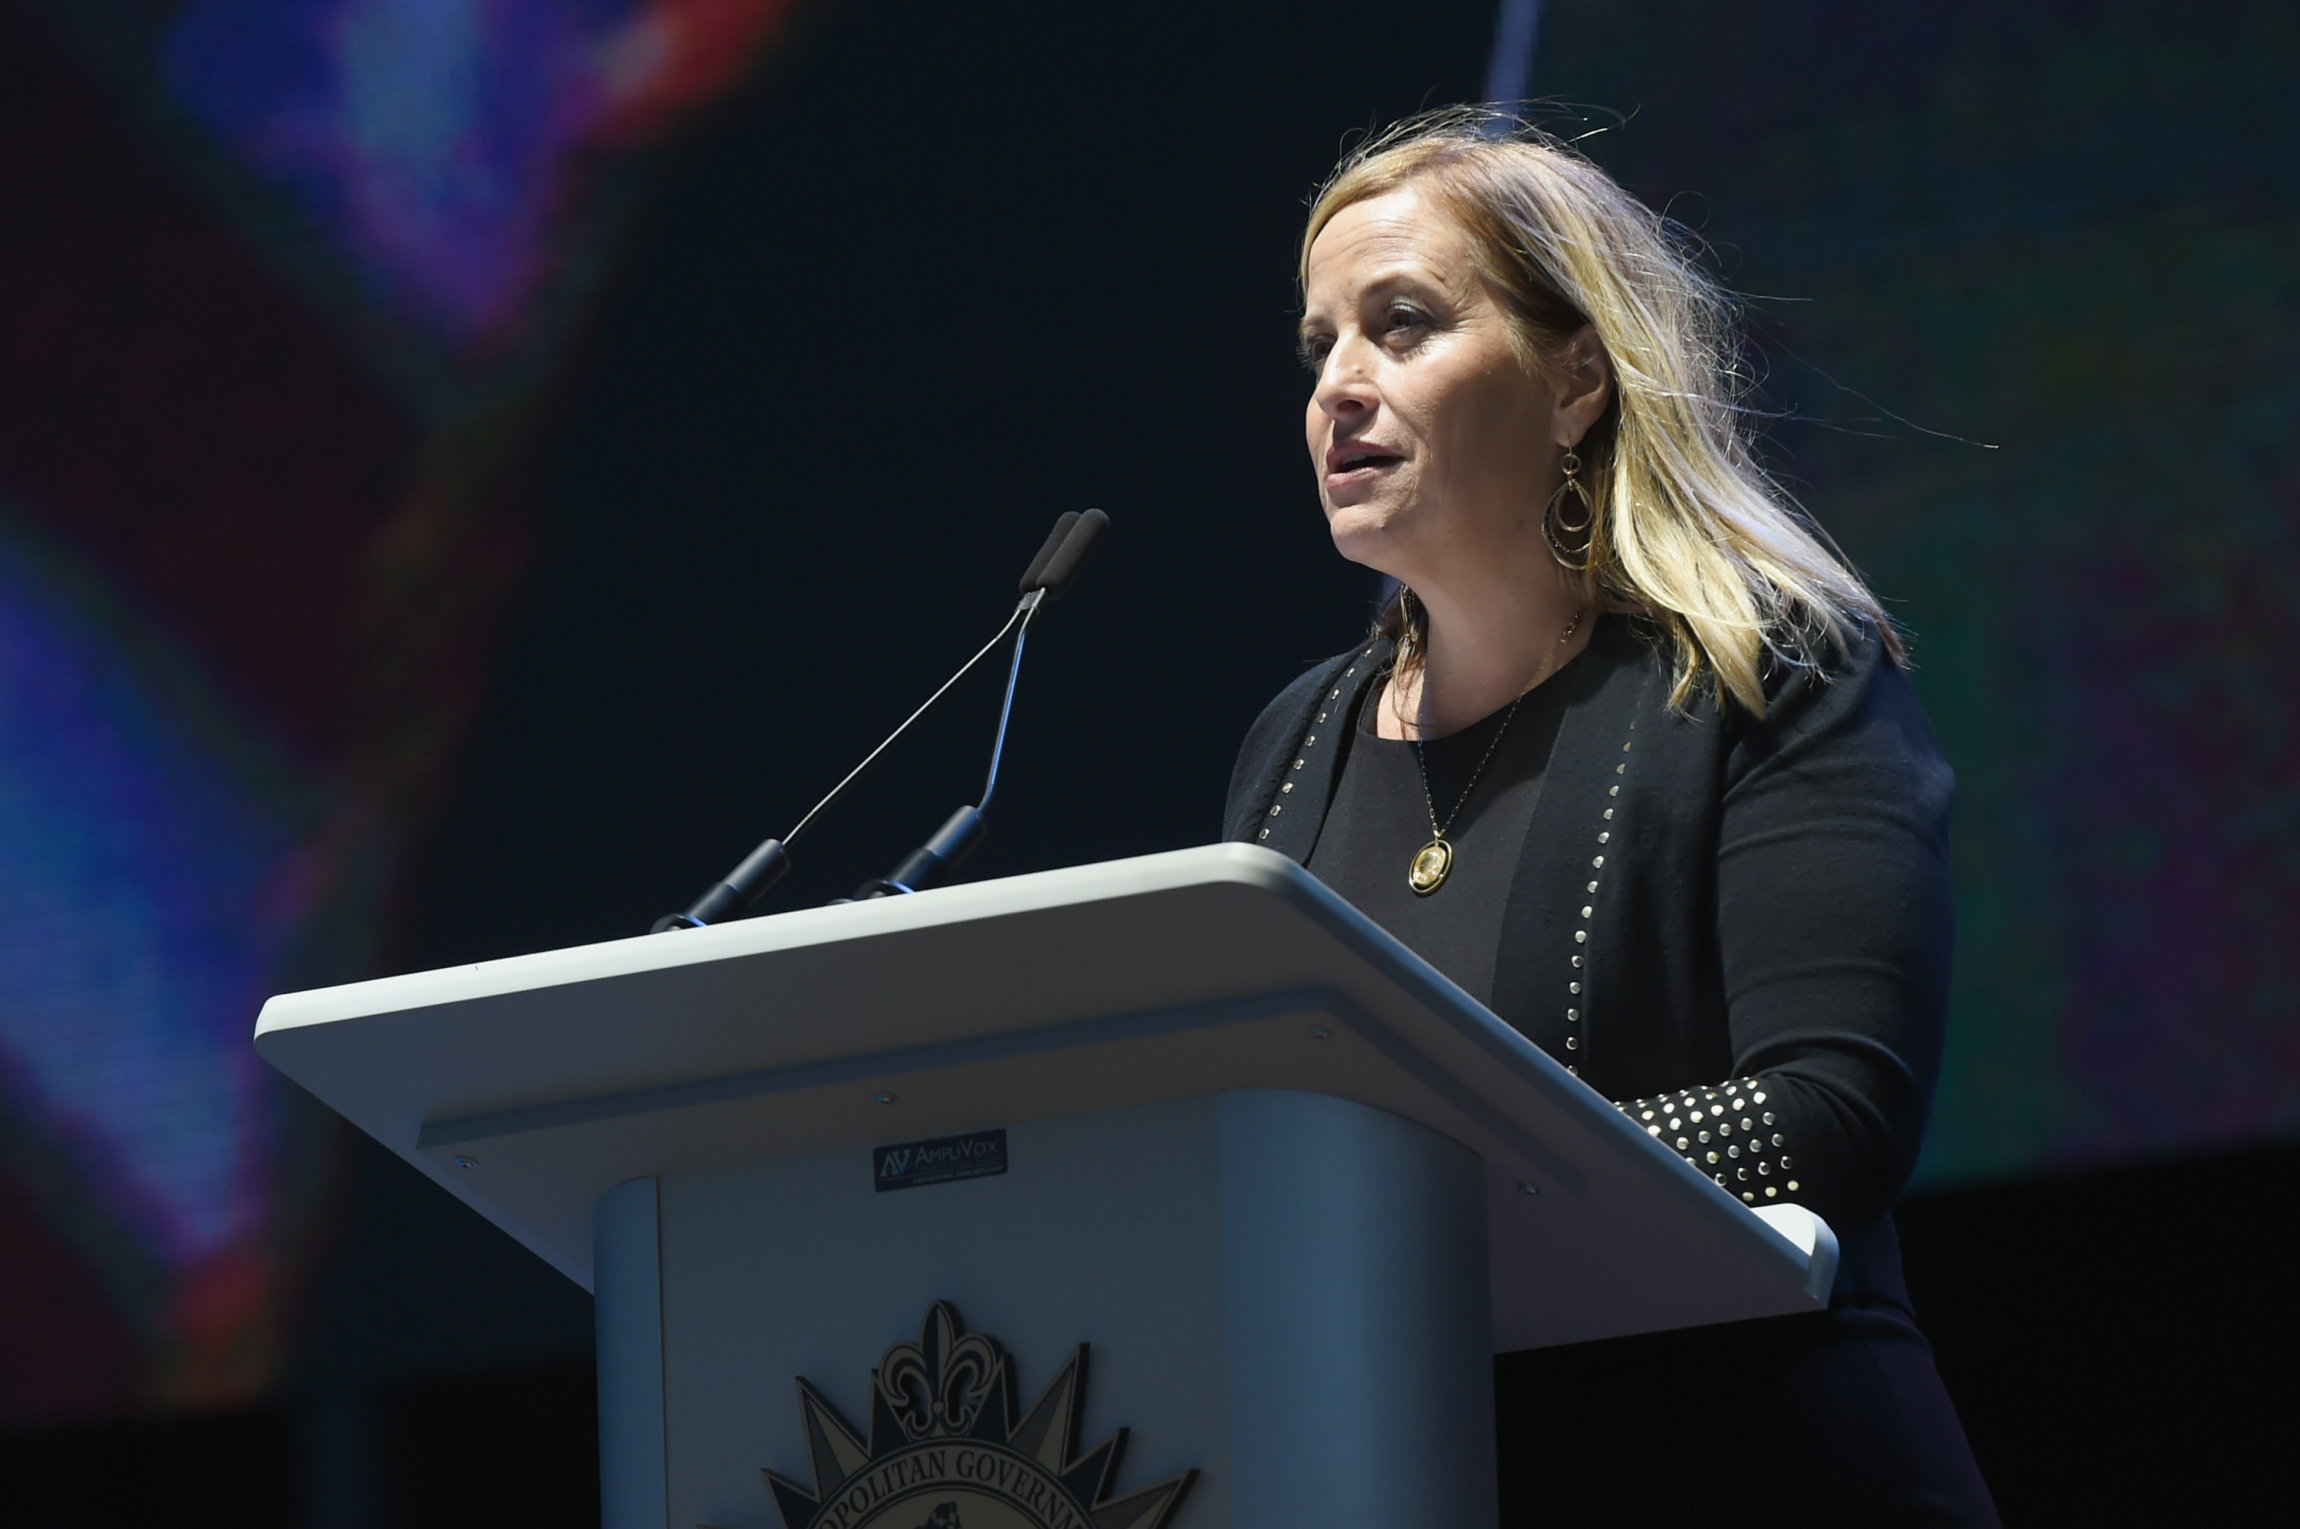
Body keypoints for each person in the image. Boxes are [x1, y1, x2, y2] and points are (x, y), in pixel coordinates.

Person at [1223, 110, 2000, 1527]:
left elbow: (1830, 1114)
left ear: (1578, 375)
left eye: (1400, 325)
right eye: (1319, 343)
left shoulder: (1767, 668)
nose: (1340, 383)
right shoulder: (1299, 746)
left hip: (1761, 1471)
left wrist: (1421, 1198)